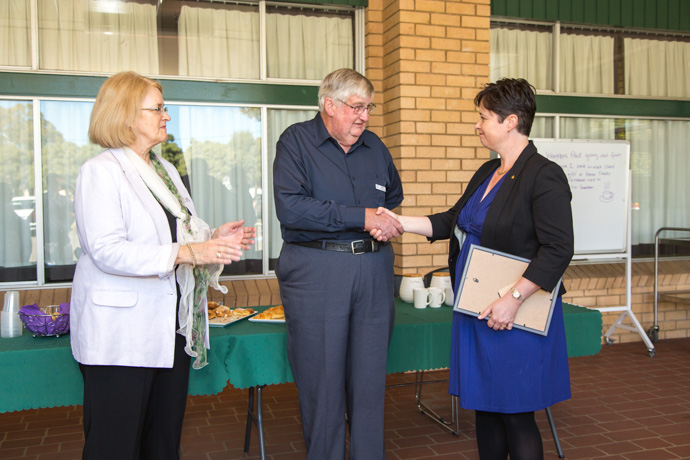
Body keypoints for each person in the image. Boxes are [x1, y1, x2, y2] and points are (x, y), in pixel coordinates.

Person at [373, 78, 574, 460]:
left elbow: (559, 249)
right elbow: (453, 220)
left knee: (516, 414)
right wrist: (399, 221)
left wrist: (513, 300)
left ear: (511, 121)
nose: (477, 125)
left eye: (484, 117)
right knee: (485, 409)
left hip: (515, 312)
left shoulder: (544, 175)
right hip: (477, 306)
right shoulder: (488, 171)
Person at [70, 71, 255, 460]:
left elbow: (177, 232)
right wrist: (190, 253)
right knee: (114, 446)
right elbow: (106, 250)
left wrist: (215, 238)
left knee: (163, 441)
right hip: (120, 335)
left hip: (169, 327)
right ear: (125, 115)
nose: (166, 116)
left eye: (164, 108)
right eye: (157, 108)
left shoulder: (164, 170)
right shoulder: (100, 171)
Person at [273, 68, 404, 460]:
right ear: (329, 105)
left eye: (369, 107)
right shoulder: (296, 142)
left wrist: (379, 221)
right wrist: (361, 217)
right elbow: (291, 208)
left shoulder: (376, 147)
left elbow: (392, 195)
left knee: (368, 383)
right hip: (318, 271)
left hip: (374, 272)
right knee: (323, 383)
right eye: (356, 107)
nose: (364, 116)